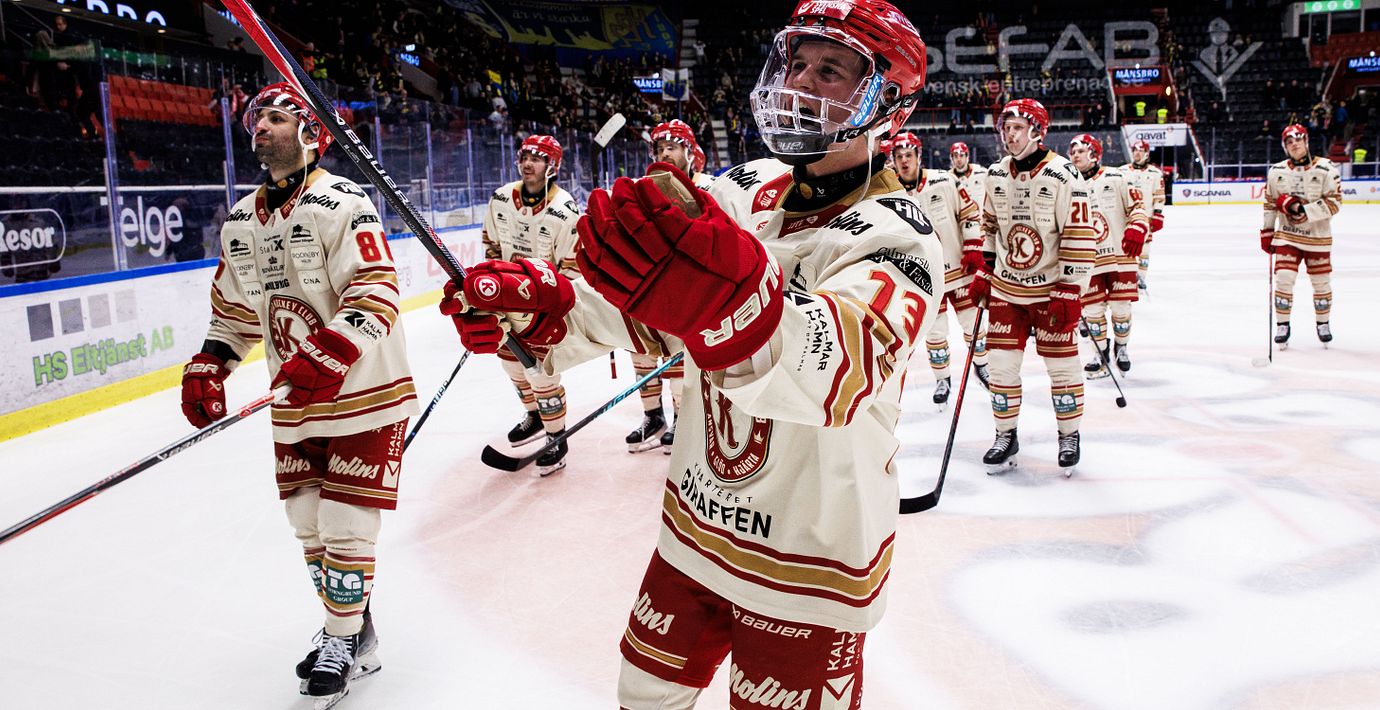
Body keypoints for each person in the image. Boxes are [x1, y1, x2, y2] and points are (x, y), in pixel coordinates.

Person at [439, 1, 938, 705]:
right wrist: (547, 308)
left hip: (809, 555)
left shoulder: (899, 236)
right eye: (797, 63)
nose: (800, 82)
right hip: (696, 526)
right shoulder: (742, 188)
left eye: (830, 71)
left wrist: (732, 302)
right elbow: (657, 305)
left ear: (886, 103)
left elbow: (838, 373)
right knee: (641, 694)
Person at [178, 82, 417, 705]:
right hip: (295, 398)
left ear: (312, 134)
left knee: (345, 522)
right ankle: (355, 630)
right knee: (307, 521)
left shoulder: (344, 202)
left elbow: (377, 288)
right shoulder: (240, 220)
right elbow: (235, 312)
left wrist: (332, 350)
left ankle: (339, 639)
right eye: (257, 119)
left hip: (366, 389)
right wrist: (210, 362)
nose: (260, 126)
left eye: (277, 117)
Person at [966, 98, 1095, 474]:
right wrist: (985, 270)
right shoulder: (994, 174)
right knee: (1000, 369)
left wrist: (1070, 289)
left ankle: (1069, 435)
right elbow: (990, 227)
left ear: (1038, 131)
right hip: (1007, 290)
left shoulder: (1064, 174)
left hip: (1051, 292)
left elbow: (1079, 233)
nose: (1010, 135)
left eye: (1018, 128)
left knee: (1063, 368)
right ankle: (1005, 435)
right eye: (1006, 128)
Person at [479, 134, 582, 475]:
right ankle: (536, 416)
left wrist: (553, 304)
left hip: (545, 307)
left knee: (541, 374)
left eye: (537, 158)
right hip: (507, 300)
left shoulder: (565, 209)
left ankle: (556, 438)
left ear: (552, 166)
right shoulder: (500, 198)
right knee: (511, 366)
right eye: (525, 156)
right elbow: (491, 245)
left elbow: (571, 266)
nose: (528, 163)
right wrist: (492, 288)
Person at [624, 120, 715, 453]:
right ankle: (653, 416)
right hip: (651, 287)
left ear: (690, 153)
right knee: (641, 351)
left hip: (692, 289)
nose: (664, 154)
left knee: (679, 356)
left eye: (672, 147)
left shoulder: (711, 188)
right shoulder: (643, 189)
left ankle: (681, 417)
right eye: (660, 148)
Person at [891, 131, 989, 406]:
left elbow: (970, 212)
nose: (904, 161)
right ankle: (942, 378)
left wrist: (973, 246)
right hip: (924, 279)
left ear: (919, 156)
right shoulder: (890, 192)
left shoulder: (944, 180)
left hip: (958, 270)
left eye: (908, 155)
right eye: (899, 157)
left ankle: (982, 364)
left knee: (973, 324)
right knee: (935, 333)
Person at [1068, 134, 1149, 377]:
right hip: (1088, 261)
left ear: (1094, 154)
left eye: (1080, 151)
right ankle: (1100, 352)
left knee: (1121, 308)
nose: (1074, 155)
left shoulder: (1118, 177)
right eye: (1072, 151)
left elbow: (1138, 207)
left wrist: (1137, 227)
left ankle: (1121, 347)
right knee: (1092, 311)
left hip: (1119, 255)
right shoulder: (1068, 184)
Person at [1261, 123, 1342, 346]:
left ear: (1306, 141)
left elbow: (1335, 202)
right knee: (1284, 279)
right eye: (1289, 141)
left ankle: (1323, 323)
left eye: (1298, 139)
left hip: (1318, 237)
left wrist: (1300, 209)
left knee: (1321, 282)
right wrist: (1267, 232)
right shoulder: (1276, 171)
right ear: (1284, 146)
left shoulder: (1326, 168)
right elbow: (1270, 204)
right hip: (1288, 236)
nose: (1294, 144)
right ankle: (1282, 324)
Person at [1121, 139, 1165, 291]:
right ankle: (1127, 275)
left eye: (1140, 151)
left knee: (1144, 251)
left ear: (1147, 153)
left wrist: (1158, 214)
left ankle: (1141, 277)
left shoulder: (1155, 173)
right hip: (1127, 218)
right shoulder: (1122, 171)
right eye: (1135, 150)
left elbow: (1159, 196)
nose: (1137, 153)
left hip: (1146, 218)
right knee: (1126, 248)